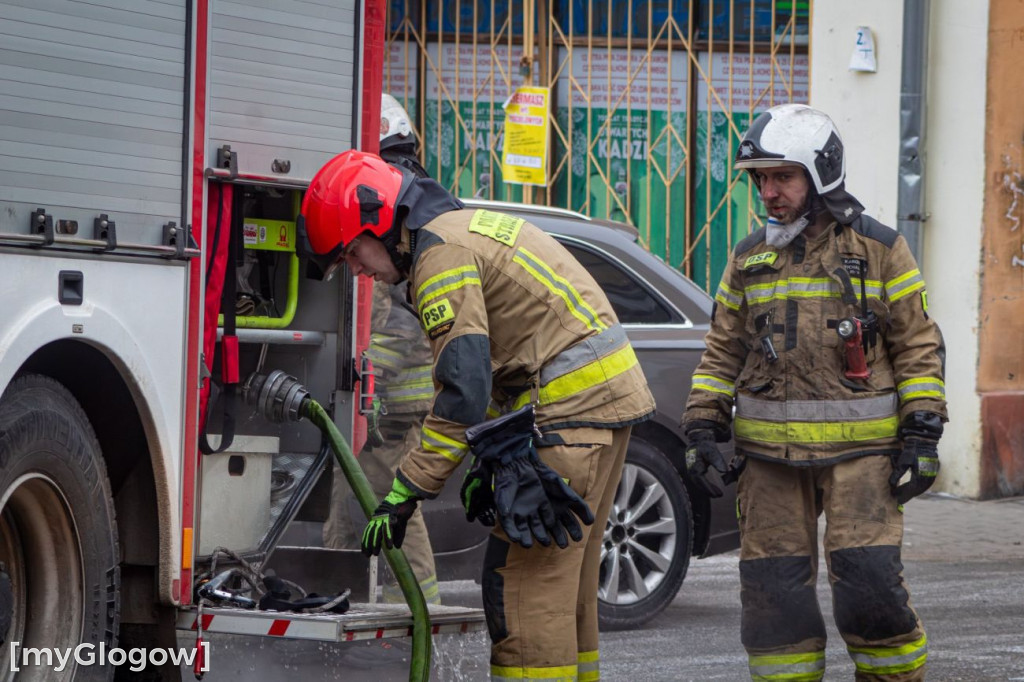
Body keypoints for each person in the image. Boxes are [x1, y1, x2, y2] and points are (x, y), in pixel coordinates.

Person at [299, 148, 655, 680]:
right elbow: (497, 367)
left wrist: (405, 492)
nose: (357, 269)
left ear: (378, 222)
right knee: (565, 587)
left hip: (568, 417)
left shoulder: (439, 257)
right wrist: (488, 455)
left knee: (522, 589)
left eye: (352, 252)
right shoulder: (460, 229)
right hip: (597, 411)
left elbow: (462, 391)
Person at [682, 103, 946, 681]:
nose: (769, 193)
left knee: (870, 591)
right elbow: (722, 350)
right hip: (769, 462)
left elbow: (917, 345)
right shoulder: (748, 257)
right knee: (774, 604)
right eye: (761, 179)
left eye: (783, 177)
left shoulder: (880, 250)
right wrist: (701, 426)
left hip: (862, 456)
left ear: (821, 173)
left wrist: (923, 432)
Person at [321, 95, 440, 605]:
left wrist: (366, 382)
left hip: (389, 402)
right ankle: (339, 593)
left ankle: (417, 606)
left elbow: (394, 325)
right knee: (347, 495)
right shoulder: (409, 206)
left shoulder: (389, 221)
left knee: (394, 503)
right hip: (383, 399)